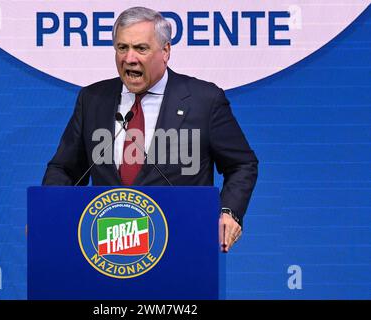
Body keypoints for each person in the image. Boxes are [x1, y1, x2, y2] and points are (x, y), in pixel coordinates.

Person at [42, 7, 258, 252]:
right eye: (122, 48)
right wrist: (47, 213)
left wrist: (228, 212)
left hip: (181, 244)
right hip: (107, 247)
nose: (129, 58)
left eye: (141, 48)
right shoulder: (93, 99)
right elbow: (65, 168)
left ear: (165, 52)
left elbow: (242, 164)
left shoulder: (204, 100)